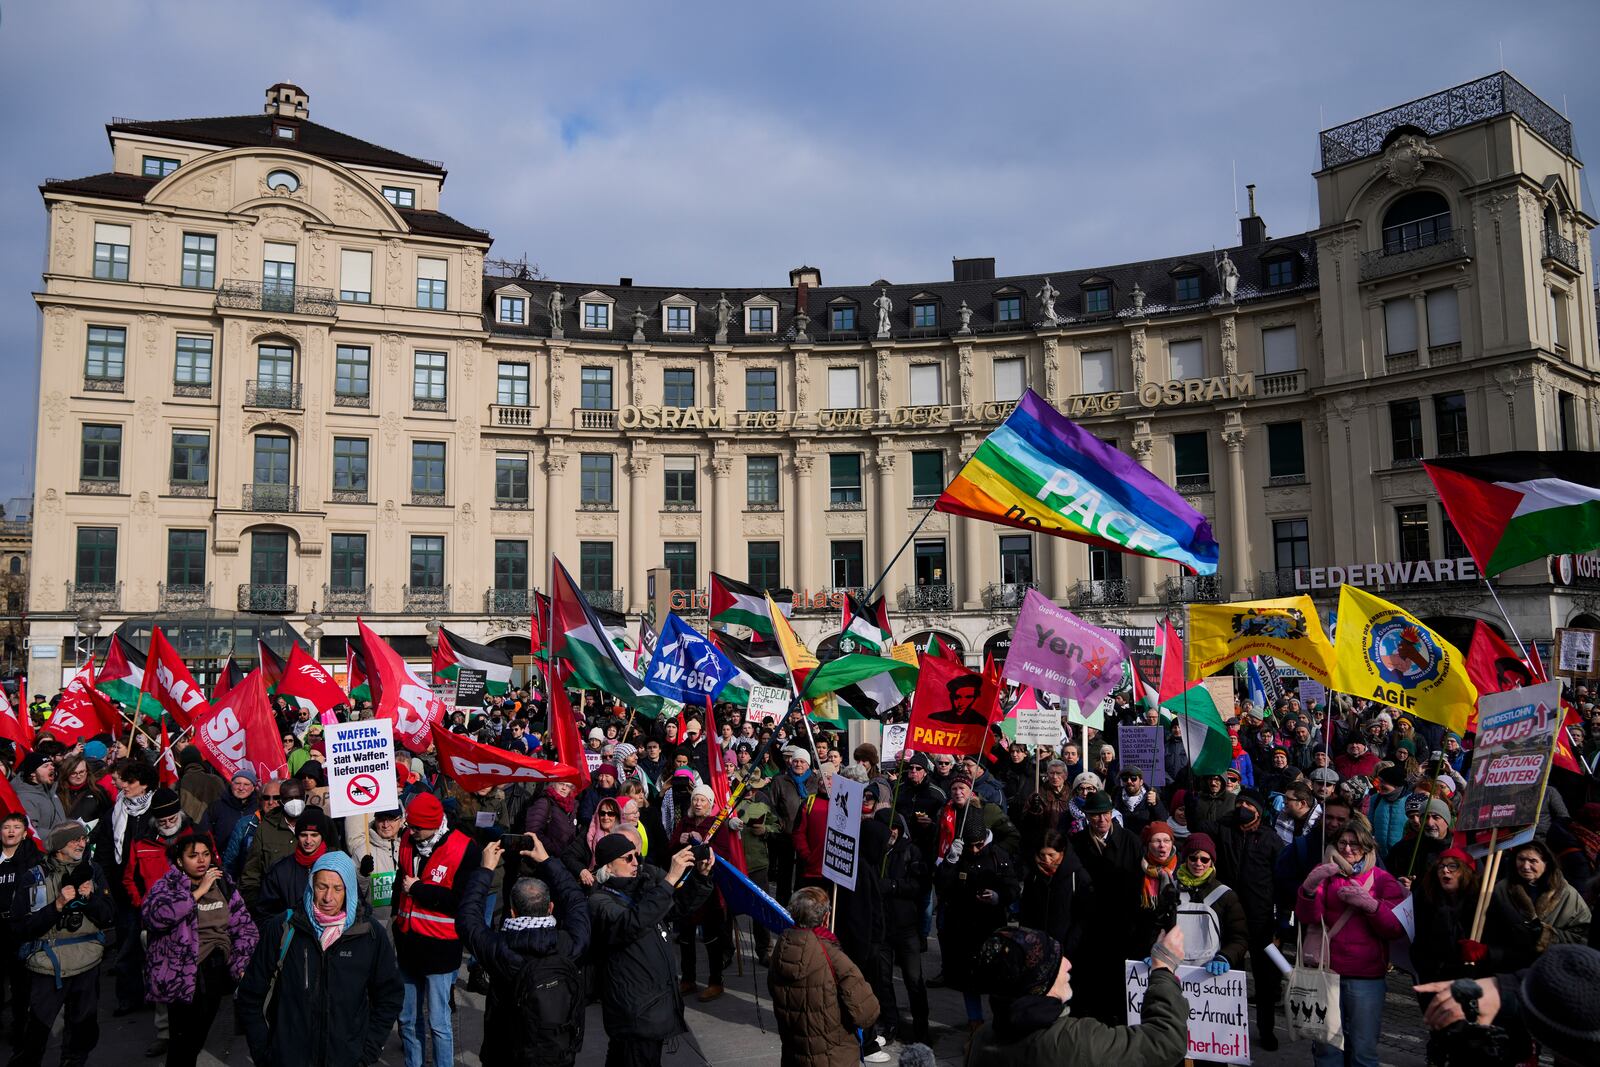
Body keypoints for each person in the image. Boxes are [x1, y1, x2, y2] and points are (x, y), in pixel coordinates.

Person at [234, 852, 404, 1067]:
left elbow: (389, 996)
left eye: (337, 888)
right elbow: (250, 994)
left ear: (349, 890)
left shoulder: (369, 934)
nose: (327, 897)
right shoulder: (284, 928)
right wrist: (264, 1053)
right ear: (311, 885)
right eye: (321, 886)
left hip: (345, 1059)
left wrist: (367, 1052)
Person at [965, 925, 1188, 1067]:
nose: (1068, 964)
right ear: (1039, 983)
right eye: (1055, 963)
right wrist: (1163, 969)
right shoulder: (1073, 1042)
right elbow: (1164, 1041)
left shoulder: (982, 1039)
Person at [458, 834, 590, 1067]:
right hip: (557, 1052)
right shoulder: (568, 944)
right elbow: (576, 901)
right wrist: (548, 861)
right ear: (550, 907)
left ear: (512, 911)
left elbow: (468, 919)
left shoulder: (499, 948)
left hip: (506, 1052)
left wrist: (485, 870)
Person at [587, 834, 715, 1067]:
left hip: (650, 1008)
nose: (636, 862)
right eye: (628, 858)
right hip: (635, 1013)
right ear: (608, 866)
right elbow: (631, 922)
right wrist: (669, 880)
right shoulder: (600, 901)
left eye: (637, 856)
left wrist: (699, 876)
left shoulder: (641, 890)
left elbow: (677, 907)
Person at [1296, 815, 1408, 1067]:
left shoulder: (1382, 879)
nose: (1347, 849)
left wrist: (1370, 905)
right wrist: (1309, 889)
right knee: (1327, 1051)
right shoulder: (1326, 873)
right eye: (1343, 842)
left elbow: (1394, 928)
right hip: (1327, 974)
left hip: (1366, 979)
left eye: (1355, 844)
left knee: (1362, 1052)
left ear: (1368, 848)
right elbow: (1308, 917)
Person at [141, 832, 259, 1067]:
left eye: (205, 854)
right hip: (182, 974)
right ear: (179, 861)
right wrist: (198, 892)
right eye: (193, 856)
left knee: (197, 1037)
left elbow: (244, 927)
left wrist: (240, 965)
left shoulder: (223, 884)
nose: (201, 861)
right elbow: (155, 917)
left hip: (214, 972)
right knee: (181, 1042)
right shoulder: (167, 886)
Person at [8, 820, 115, 1067]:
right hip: (47, 966)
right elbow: (20, 927)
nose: (82, 843)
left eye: (83, 838)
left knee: (82, 1035)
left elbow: (109, 916)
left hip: (87, 963)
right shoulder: (34, 877)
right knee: (33, 1037)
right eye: (74, 839)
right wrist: (56, 906)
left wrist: (89, 900)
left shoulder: (93, 870)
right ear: (57, 846)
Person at [392, 791, 482, 1067]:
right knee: (408, 1019)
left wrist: (420, 889)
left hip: (440, 949)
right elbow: (400, 880)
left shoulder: (465, 848)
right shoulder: (408, 838)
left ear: (434, 823)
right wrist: (397, 915)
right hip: (408, 944)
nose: (412, 831)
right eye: (410, 825)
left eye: (418, 827)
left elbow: (462, 901)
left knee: (438, 1022)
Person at [768, 886, 881, 1067]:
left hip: (794, 1056)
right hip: (835, 1058)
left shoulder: (780, 949)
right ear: (826, 918)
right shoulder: (833, 957)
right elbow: (867, 1013)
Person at [935, 813, 1021, 1029]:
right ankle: (975, 1021)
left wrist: (998, 897)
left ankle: (999, 1021)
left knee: (995, 978)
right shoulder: (958, 854)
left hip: (990, 926)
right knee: (968, 980)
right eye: (970, 846)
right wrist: (950, 861)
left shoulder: (997, 855)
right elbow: (942, 886)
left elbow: (1011, 887)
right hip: (963, 926)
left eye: (978, 845)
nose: (974, 850)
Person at [1067, 790, 1141, 1025]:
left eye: (1105, 814)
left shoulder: (1130, 840)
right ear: (1088, 817)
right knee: (1090, 979)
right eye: (1096, 815)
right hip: (1089, 923)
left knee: (1117, 980)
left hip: (1121, 922)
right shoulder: (1076, 843)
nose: (1101, 820)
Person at [1478, 840, 1592, 971]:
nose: (1526, 866)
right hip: (1508, 966)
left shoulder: (1567, 894)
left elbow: (1582, 937)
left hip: (1551, 968)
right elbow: (1489, 932)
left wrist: (1543, 934)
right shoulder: (1501, 889)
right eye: (1521, 859)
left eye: (1533, 861)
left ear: (1546, 863)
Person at [874, 809, 930, 1044]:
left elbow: (920, 886)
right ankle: (890, 1022)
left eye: (894, 827)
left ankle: (921, 1026)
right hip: (882, 926)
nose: (891, 832)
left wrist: (894, 886)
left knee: (913, 979)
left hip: (906, 926)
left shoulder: (910, 850)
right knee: (882, 979)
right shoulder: (873, 851)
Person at [1409, 847, 1480, 994]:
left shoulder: (1478, 903)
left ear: (1465, 871)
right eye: (1441, 866)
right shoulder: (1426, 899)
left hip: (1465, 977)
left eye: (1452, 866)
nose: (1445, 870)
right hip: (1431, 975)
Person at [0, 812, 42, 1042]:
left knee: (20, 983)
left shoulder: (31, 860)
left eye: (16, 827)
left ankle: (21, 1027)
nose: (11, 831)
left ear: (25, 833)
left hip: (19, 928)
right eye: (7, 827)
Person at [239, 778, 304, 917]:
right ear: (282, 802)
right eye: (289, 798)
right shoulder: (266, 829)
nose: (294, 802)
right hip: (275, 911)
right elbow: (251, 874)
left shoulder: (318, 823)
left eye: (298, 798)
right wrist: (256, 907)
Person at [255, 807, 333, 918]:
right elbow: (265, 913)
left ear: (322, 836)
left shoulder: (336, 865)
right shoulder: (280, 871)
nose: (308, 841)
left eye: (314, 835)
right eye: (303, 835)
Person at [346, 807, 403, 920]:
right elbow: (353, 893)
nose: (386, 825)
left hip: (405, 921)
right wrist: (362, 874)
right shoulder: (362, 851)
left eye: (391, 819)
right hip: (377, 922)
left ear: (400, 820)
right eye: (381, 819)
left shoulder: (409, 847)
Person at [15, 753, 66, 836]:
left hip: (60, 845)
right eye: (45, 766)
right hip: (45, 846)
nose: (52, 767)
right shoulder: (25, 798)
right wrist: (59, 836)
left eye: (52, 764)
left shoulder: (51, 790)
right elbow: (31, 831)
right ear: (33, 773)